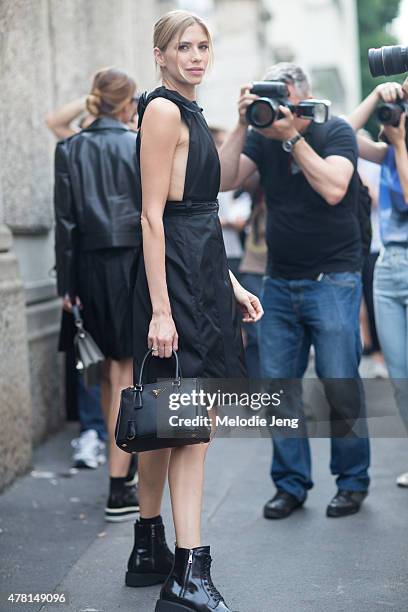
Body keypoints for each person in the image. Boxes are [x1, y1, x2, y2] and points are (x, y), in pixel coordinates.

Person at [127, 10, 263, 612]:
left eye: (203, 46)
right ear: (160, 55)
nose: (196, 56)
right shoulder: (160, 110)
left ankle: (149, 545)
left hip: (202, 272)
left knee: (172, 424)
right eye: (184, 46)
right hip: (175, 283)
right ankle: (189, 572)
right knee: (190, 428)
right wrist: (162, 311)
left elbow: (199, 213)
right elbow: (153, 216)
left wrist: (230, 282)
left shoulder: (190, 113)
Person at [219, 63, 370, 519]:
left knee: (339, 383)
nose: (278, 105)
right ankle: (290, 484)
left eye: (283, 95)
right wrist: (244, 122)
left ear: (303, 95)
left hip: (334, 279)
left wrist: (291, 137)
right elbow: (224, 180)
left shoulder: (335, 131)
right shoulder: (260, 136)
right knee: (278, 389)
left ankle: (352, 481)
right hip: (279, 282)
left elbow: (333, 187)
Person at [53, 68, 141, 520]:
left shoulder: (70, 148)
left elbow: (65, 224)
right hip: (129, 265)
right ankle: (118, 484)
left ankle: (121, 469)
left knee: (108, 373)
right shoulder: (136, 143)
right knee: (125, 373)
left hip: (87, 268)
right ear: (127, 103)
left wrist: (65, 286)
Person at [347, 81, 408, 488]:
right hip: (388, 266)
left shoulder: (395, 151)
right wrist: (377, 97)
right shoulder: (386, 152)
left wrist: (401, 144)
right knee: (400, 373)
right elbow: (342, 135)